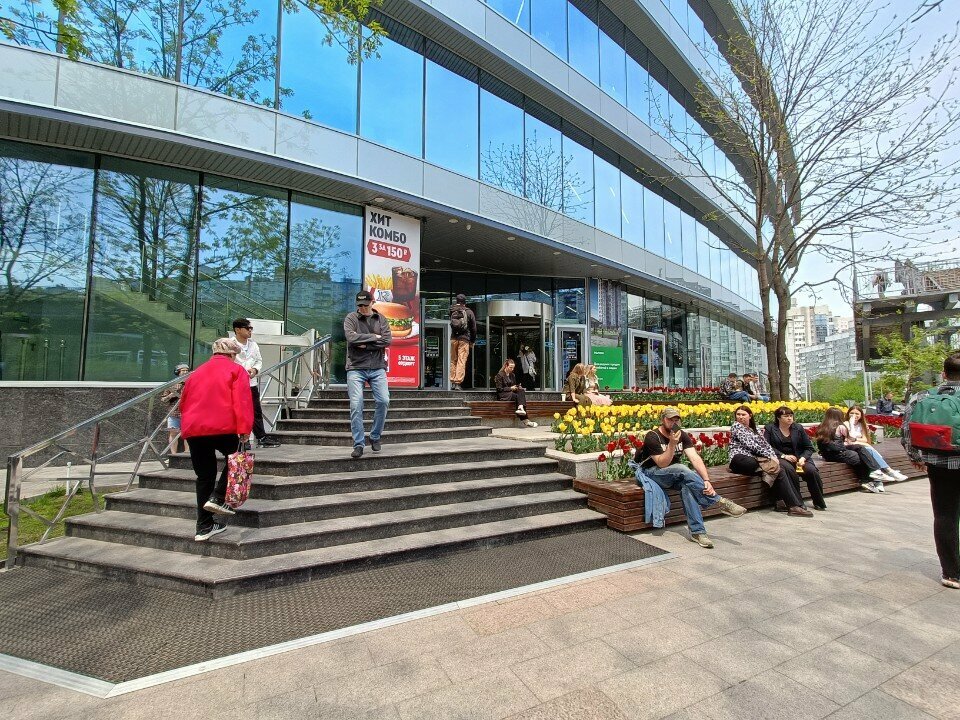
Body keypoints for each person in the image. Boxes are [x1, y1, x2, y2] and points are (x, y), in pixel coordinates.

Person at [636, 406, 747, 548]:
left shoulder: (681, 434)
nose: (673, 423)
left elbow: (694, 458)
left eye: (676, 420)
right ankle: (719, 501)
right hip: (652, 473)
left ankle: (698, 532)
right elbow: (662, 464)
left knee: (687, 487)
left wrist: (706, 481)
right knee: (682, 468)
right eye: (670, 419)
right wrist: (671, 444)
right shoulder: (653, 436)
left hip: (673, 474)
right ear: (662, 419)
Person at [179, 338, 253, 542]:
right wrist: (244, 429)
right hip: (222, 426)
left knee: (204, 477)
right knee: (238, 458)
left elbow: (184, 401)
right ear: (231, 354)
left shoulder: (196, 373)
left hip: (194, 429)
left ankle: (204, 527)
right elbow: (242, 401)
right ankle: (219, 497)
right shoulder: (236, 371)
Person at [902, 351, 960, 589]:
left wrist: (916, 457)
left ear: (943, 373)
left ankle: (951, 573)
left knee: (945, 516)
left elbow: (907, 431)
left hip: (939, 464)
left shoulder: (922, 396)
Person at [728, 405, 812, 517]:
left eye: (743, 414)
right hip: (739, 459)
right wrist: (770, 456)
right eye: (738, 414)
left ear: (750, 416)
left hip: (756, 460)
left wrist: (773, 456)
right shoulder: (736, 426)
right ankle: (789, 504)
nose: (740, 417)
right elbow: (751, 445)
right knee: (769, 467)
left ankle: (791, 505)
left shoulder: (756, 429)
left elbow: (766, 445)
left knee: (779, 470)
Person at [344, 290, 392, 459]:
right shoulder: (351, 318)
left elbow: (387, 340)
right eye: (360, 305)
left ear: (372, 303)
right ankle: (358, 444)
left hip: (377, 367)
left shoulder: (381, 319)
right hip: (356, 367)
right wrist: (374, 337)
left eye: (365, 305)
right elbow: (351, 338)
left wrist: (365, 343)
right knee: (356, 405)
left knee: (384, 400)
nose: (362, 308)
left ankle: (375, 436)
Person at [764, 405, 827, 510]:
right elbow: (767, 447)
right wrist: (784, 456)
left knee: (812, 471)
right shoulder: (770, 428)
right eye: (786, 416)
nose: (789, 418)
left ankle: (818, 501)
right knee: (789, 470)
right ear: (778, 418)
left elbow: (809, 448)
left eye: (791, 415)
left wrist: (803, 458)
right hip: (781, 458)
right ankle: (798, 502)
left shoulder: (798, 428)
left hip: (799, 458)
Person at [232, 318, 280, 449]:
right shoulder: (230, 344)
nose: (250, 331)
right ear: (237, 329)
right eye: (247, 328)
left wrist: (255, 369)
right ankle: (242, 439)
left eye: (251, 329)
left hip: (251, 383)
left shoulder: (253, 345)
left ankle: (261, 436)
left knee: (255, 411)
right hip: (235, 385)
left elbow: (259, 360)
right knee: (237, 412)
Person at [815, 406, 885, 490]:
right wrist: (851, 426)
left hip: (826, 455)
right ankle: (869, 478)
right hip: (839, 453)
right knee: (861, 456)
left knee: (859, 448)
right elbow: (849, 439)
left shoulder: (821, 426)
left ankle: (871, 477)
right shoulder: (841, 426)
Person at [841, 405, 908, 491]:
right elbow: (848, 439)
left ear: (861, 415)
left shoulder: (862, 425)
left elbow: (864, 439)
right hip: (849, 448)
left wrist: (856, 441)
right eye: (852, 413)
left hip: (860, 447)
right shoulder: (845, 424)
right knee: (869, 451)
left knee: (870, 452)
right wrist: (851, 424)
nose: (854, 415)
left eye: (857, 413)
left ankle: (878, 480)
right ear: (848, 414)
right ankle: (888, 472)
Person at [495, 359, 536, 427]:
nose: (512, 369)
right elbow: (499, 389)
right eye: (510, 367)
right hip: (503, 395)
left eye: (513, 367)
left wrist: (517, 387)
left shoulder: (512, 375)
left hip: (511, 393)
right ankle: (525, 420)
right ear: (506, 366)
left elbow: (513, 385)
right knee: (518, 397)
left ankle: (520, 407)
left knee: (521, 391)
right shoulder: (500, 375)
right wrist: (510, 388)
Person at [160, 363, 190, 454]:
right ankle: (173, 455)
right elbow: (163, 399)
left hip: (187, 413)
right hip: (174, 413)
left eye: (187, 370)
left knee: (187, 434)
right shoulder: (171, 384)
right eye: (183, 370)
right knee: (173, 433)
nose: (185, 372)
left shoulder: (191, 383)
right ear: (178, 372)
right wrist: (172, 394)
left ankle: (187, 453)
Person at [448, 294, 476, 391]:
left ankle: (452, 382)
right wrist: (472, 341)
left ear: (456, 301)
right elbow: (473, 328)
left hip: (453, 338)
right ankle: (457, 384)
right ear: (465, 302)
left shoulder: (452, 310)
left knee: (453, 360)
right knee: (461, 360)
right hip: (464, 339)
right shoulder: (469, 312)